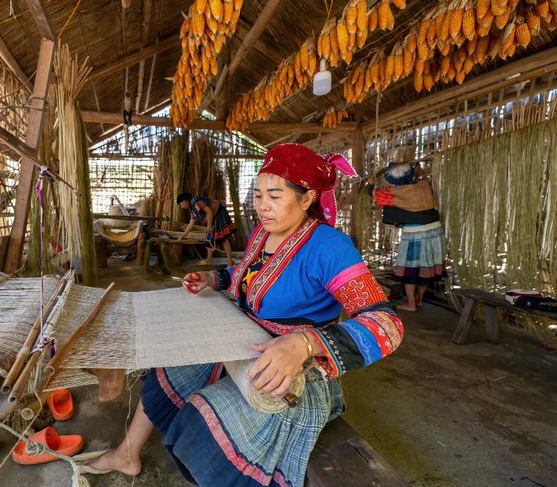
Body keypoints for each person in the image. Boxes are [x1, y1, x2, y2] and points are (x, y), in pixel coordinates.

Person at [87, 144, 404, 486]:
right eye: (257, 195)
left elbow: (386, 324)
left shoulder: (330, 247)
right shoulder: (261, 234)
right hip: (242, 338)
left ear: (307, 198)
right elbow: (243, 273)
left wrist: (303, 344)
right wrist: (214, 278)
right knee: (170, 369)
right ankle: (126, 454)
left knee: (204, 419)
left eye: (274, 196)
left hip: (292, 370)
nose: (262, 206)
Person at [368, 162, 447, 312]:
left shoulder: (395, 193)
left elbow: (375, 195)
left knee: (409, 269)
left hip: (415, 233)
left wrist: (371, 183)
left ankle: (411, 304)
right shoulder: (424, 186)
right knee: (427, 266)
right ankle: (419, 299)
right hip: (435, 230)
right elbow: (418, 176)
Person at [176, 193, 237, 266]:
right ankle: (209, 260)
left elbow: (209, 212)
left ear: (185, 201)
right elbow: (191, 224)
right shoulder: (191, 209)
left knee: (223, 238)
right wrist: (182, 236)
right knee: (210, 238)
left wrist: (209, 227)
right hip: (213, 217)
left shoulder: (196, 202)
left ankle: (229, 261)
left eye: (181, 204)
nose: (182, 206)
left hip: (219, 213)